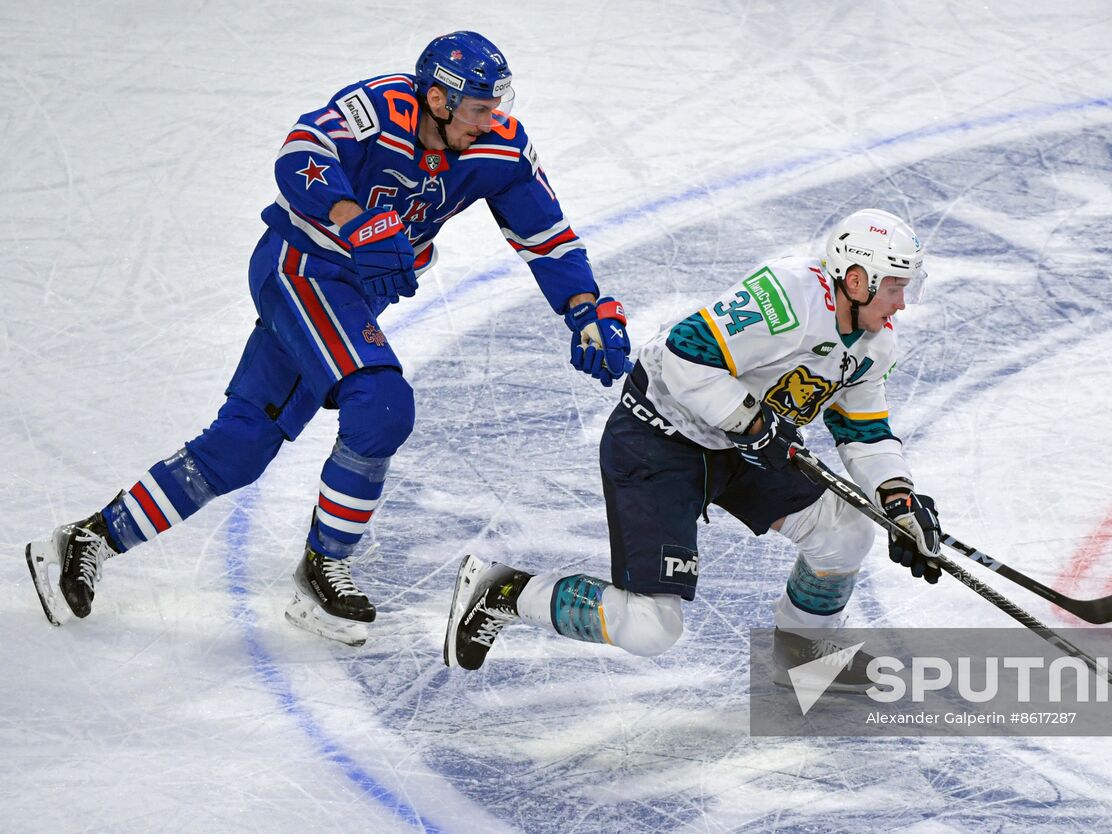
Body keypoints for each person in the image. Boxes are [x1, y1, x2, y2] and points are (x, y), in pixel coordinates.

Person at [24, 31, 632, 647]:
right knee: (383, 406)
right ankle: (323, 567)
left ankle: (90, 537)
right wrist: (352, 219)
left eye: (496, 106)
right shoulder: (379, 108)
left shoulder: (499, 147)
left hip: (354, 295)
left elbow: (547, 235)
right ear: (440, 100)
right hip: (302, 269)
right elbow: (299, 152)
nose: (492, 119)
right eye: (479, 107)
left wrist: (584, 309)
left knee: (242, 444)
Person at [444, 208, 942, 688]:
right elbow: (685, 356)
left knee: (847, 531)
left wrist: (897, 500)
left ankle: (802, 661)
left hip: (741, 444)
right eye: (897, 288)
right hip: (659, 441)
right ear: (857, 281)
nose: (901, 304)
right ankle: (501, 590)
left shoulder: (874, 343)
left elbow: (864, 430)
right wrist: (753, 425)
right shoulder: (788, 296)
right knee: (650, 627)